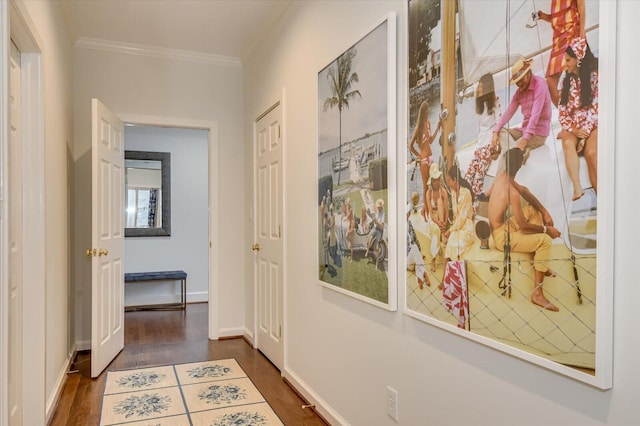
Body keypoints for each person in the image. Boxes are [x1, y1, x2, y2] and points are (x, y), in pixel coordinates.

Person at [488, 148, 562, 312]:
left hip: (502, 228)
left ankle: (537, 262)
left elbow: (525, 192)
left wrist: (543, 210)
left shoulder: (503, 178)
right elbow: (523, 226)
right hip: (502, 238)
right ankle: (537, 294)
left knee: (532, 209)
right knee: (545, 241)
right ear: (519, 166)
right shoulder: (511, 191)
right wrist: (546, 230)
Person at [491, 57, 552, 167]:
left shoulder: (540, 84)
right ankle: (519, 154)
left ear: (528, 74)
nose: (519, 84)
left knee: (510, 155)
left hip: (538, 132)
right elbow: (509, 111)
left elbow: (535, 116)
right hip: (524, 129)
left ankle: (512, 156)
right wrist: (496, 132)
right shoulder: (520, 91)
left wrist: (524, 140)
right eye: (516, 82)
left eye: (520, 80)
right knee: (501, 132)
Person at [557, 36, 598, 199]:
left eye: (567, 60)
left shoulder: (593, 77)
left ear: (578, 60)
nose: (564, 64)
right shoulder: (564, 80)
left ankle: (602, 197)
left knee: (592, 153)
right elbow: (562, 112)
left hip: (592, 124)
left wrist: (584, 135)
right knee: (567, 142)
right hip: (573, 126)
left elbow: (596, 109)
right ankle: (577, 187)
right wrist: (572, 129)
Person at [536, 0, 586, 106]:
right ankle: (567, 111)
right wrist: (544, 16)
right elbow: (556, 17)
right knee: (550, 80)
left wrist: (581, 34)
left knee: (573, 72)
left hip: (572, 33)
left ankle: (579, 109)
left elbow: (581, 8)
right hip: (558, 40)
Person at [466, 73, 502, 200]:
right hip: (480, 146)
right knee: (468, 177)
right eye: (479, 87)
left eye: (481, 87)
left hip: (488, 146)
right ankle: (465, 203)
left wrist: (495, 145)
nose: (479, 89)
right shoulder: (480, 106)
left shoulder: (495, 102)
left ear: (487, 88)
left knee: (477, 179)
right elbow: (480, 129)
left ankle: (473, 207)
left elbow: (499, 123)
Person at [441, 165, 475, 286]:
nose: (448, 184)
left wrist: (450, 230)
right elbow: (456, 217)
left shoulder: (466, 193)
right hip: (457, 226)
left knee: (457, 245)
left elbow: (462, 218)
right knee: (450, 243)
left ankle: (458, 281)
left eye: (449, 180)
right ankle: (445, 279)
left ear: (455, 179)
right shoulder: (453, 193)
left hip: (467, 227)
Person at [408, 101, 442, 214]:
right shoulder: (418, 127)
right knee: (425, 187)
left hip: (430, 157)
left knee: (434, 183)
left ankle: (427, 209)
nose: (428, 114)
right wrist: (418, 156)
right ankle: (426, 211)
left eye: (428, 112)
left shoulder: (428, 123)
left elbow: (431, 140)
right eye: (426, 112)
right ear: (423, 113)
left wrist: (438, 126)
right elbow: (410, 145)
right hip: (423, 160)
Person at [425, 163, 449, 272]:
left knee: (440, 201)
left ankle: (443, 231)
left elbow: (446, 210)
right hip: (433, 218)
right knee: (435, 230)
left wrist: (442, 222)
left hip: (442, 217)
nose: (437, 182)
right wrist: (438, 223)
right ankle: (433, 260)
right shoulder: (428, 193)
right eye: (435, 180)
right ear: (432, 181)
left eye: (438, 179)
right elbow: (430, 213)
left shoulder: (443, 191)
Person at [407, 193, 430, 289]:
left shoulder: (409, 223)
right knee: (415, 249)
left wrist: (419, 253)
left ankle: (420, 278)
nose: (408, 214)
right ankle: (424, 273)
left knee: (417, 257)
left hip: (413, 257)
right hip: (406, 261)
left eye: (408, 212)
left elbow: (415, 239)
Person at [365, 199, 386, 268]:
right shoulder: (377, 212)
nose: (378, 208)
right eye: (377, 207)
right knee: (369, 239)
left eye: (379, 207)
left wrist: (376, 222)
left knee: (376, 248)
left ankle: (377, 264)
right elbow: (373, 218)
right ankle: (367, 250)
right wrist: (369, 215)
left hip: (379, 230)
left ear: (381, 207)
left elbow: (382, 226)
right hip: (375, 229)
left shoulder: (383, 214)